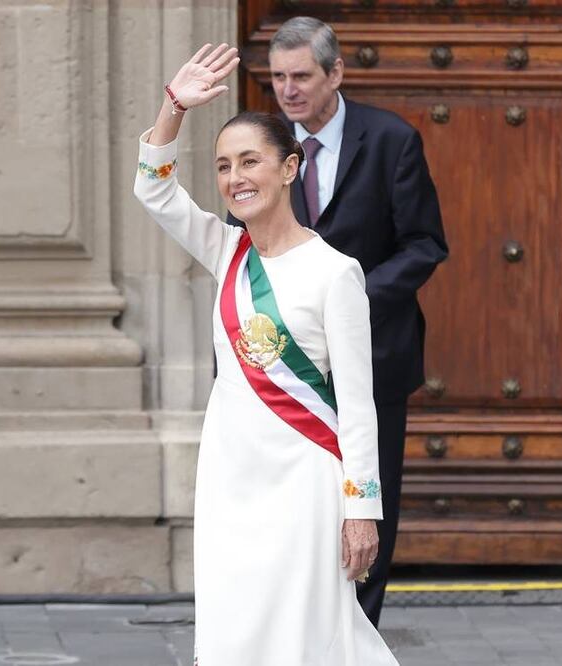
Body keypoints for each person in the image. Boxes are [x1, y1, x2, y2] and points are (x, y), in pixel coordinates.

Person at [134, 43, 399, 665]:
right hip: (231, 477)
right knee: (233, 627)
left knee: (308, 634)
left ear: (289, 167)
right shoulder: (227, 252)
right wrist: (173, 108)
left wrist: (362, 511)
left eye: (250, 161)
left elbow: (359, 406)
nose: (235, 179)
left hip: (306, 483)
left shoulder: (337, 273)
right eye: (224, 167)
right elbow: (155, 191)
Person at [229, 17, 449, 626]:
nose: (288, 90)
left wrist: (344, 300)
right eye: (277, 77)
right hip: (281, 369)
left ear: (336, 74)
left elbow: (425, 245)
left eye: (301, 76)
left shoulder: (391, 140)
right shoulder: (264, 144)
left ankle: (359, 640)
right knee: (291, 512)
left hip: (373, 361)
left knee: (367, 512)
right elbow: (238, 242)